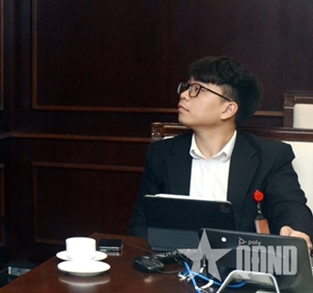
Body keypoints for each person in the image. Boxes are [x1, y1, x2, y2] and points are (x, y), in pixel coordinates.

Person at [129, 56, 313, 249]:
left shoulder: (270, 156)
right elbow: (141, 224)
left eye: (197, 89)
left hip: (242, 262)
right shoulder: (162, 154)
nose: (184, 95)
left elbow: (289, 206)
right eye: (186, 87)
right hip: (175, 262)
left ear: (228, 109)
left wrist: (297, 231)